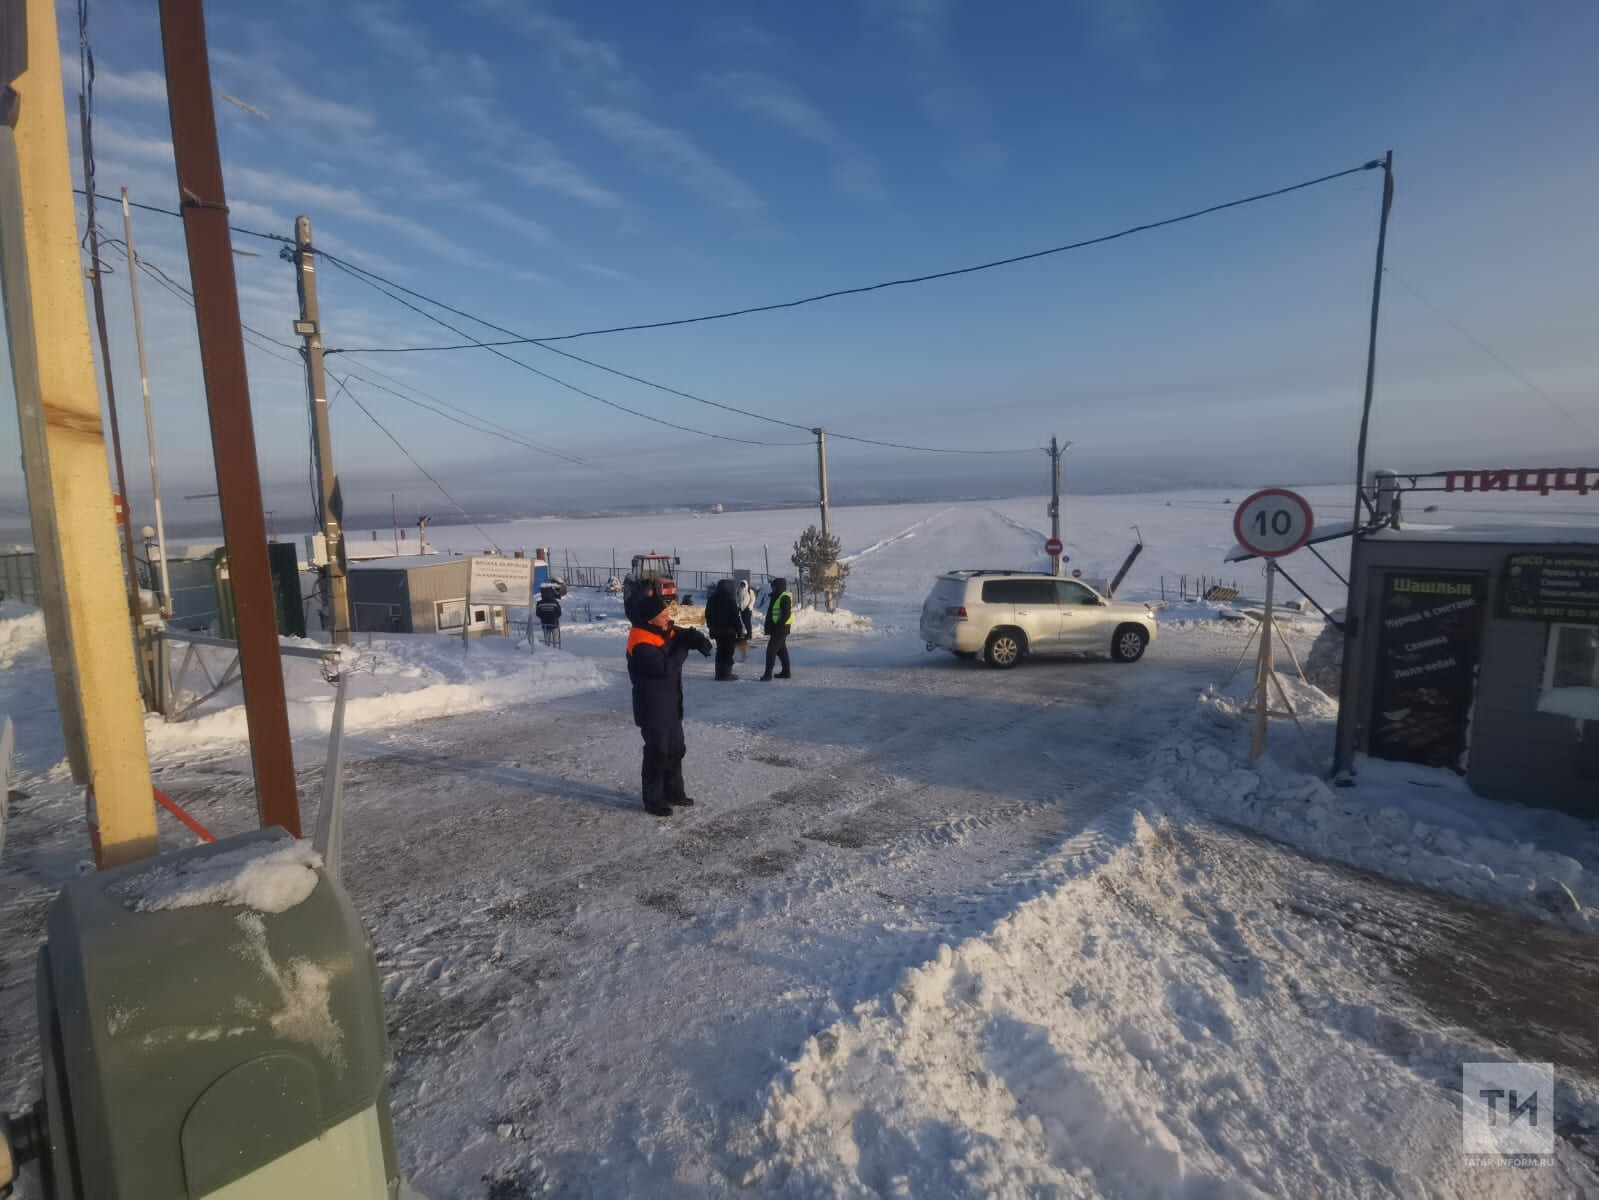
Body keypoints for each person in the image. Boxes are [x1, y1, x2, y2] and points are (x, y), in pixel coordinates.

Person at [626, 594, 712, 816]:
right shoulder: (640, 642)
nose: (667, 617)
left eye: (666, 613)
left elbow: (682, 633)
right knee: (658, 752)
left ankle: (674, 793)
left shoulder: (662, 629)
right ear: (649, 619)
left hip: (671, 703)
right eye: (662, 614)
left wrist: (697, 639)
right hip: (652, 706)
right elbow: (666, 668)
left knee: (675, 749)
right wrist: (683, 648)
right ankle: (654, 800)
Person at [704, 579, 743, 681]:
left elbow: (708, 615)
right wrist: (740, 631)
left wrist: (711, 627)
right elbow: (735, 617)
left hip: (717, 631)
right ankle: (726, 674)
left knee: (720, 652)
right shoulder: (730, 600)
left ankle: (719, 674)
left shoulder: (712, 599)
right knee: (728, 652)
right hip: (729, 632)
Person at [760, 577, 794, 681]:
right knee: (781, 651)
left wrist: (777, 627)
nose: (772, 588)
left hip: (780, 629)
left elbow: (786, 615)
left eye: (774, 586)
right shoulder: (775, 596)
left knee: (771, 650)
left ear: (778, 586)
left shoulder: (784, 597)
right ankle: (786, 672)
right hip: (777, 629)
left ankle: (768, 674)